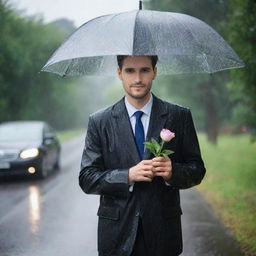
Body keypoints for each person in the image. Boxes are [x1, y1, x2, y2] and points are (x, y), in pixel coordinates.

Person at [79, 55, 206, 256]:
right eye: (130, 70)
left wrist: (173, 172)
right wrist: (127, 175)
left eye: (144, 70)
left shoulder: (179, 116)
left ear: (155, 71)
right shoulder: (99, 121)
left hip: (163, 233)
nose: (138, 78)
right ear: (119, 73)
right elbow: (87, 178)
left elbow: (197, 170)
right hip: (116, 234)